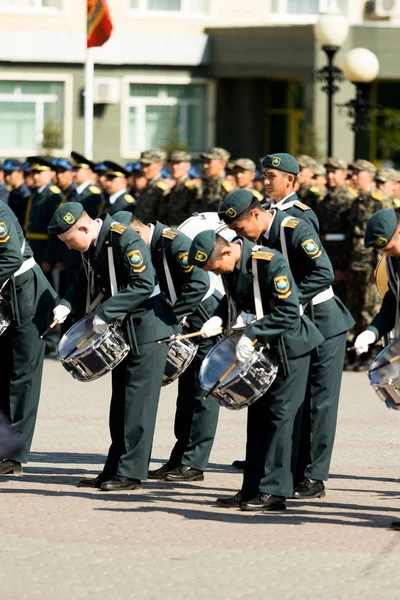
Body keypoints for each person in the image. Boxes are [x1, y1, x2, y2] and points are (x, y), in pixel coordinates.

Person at [218, 186, 354, 498]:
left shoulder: (294, 228)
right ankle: (287, 472)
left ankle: (314, 476)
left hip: (322, 319)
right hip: (290, 323)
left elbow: (323, 273)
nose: (241, 235)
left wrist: (286, 301)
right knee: (290, 401)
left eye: (240, 228)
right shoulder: (257, 239)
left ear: (255, 214)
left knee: (319, 400)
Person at [186, 230, 324, 510]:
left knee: (280, 419)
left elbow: (288, 310)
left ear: (227, 252)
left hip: (291, 347)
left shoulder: (269, 261)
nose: (215, 273)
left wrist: (252, 334)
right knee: (258, 419)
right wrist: (217, 316)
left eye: (214, 267)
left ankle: (274, 492)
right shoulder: (231, 264)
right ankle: (252, 489)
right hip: (265, 347)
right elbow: (233, 298)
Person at [48, 202, 180, 491]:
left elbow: (143, 284)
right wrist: (65, 304)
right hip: (124, 330)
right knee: (120, 403)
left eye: (70, 241)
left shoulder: (123, 237)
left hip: (148, 328)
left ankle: (131, 474)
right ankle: (114, 468)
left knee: (137, 404)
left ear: (84, 227)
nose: (69, 248)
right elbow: (82, 282)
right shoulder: (92, 245)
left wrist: (104, 313)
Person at [113, 210, 221, 482]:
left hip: (202, 317)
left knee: (201, 392)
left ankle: (194, 463)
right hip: (182, 318)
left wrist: (172, 319)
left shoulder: (174, 242)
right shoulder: (150, 244)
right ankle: (179, 458)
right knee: (185, 397)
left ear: (136, 233)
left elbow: (200, 283)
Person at [0, 202, 57, 474]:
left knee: (23, 377)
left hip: (27, 296)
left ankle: (14, 456)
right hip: (5, 297)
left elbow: (10, 257)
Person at [344, 159, 385, 370]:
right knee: (355, 308)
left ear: (368, 176)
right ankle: (356, 351)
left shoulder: (379, 202)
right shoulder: (356, 202)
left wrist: (378, 268)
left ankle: (373, 352)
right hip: (355, 265)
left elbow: (383, 237)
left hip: (371, 265)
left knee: (370, 308)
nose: (352, 178)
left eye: (357, 174)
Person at [354, 209, 400, 356]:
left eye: (390, 249)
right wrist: (372, 332)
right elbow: (392, 303)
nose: (388, 255)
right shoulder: (393, 261)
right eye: (384, 251)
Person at [317, 157, 358, 304]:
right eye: (328, 172)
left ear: (344, 174)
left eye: (334, 172)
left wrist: (344, 265)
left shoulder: (350, 199)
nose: (330, 176)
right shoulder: (324, 198)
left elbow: (350, 234)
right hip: (325, 251)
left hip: (341, 253)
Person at [261, 153, 320, 232]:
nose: (266, 182)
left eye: (272, 176)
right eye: (265, 176)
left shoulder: (302, 215)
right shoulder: (262, 211)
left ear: (289, 179)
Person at [157, 150, 198, 227]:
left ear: (188, 165)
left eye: (178, 163)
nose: (174, 167)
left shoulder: (191, 189)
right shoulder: (171, 188)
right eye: (172, 163)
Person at [134, 149, 171, 223]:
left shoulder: (162, 189)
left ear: (159, 165)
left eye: (148, 165)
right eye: (142, 165)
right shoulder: (146, 187)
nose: (144, 169)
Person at [194, 147, 235, 212]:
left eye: (209, 162)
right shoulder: (205, 183)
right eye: (204, 162)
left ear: (222, 164)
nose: (205, 165)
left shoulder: (228, 187)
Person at [70, 151, 104, 218]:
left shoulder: (94, 194)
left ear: (88, 171)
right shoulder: (72, 192)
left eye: (77, 170)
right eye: (73, 170)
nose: (73, 174)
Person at [4, 159, 32, 229]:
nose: (7, 176)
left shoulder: (24, 194)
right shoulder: (13, 192)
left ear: (20, 173)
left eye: (10, 173)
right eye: (5, 172)